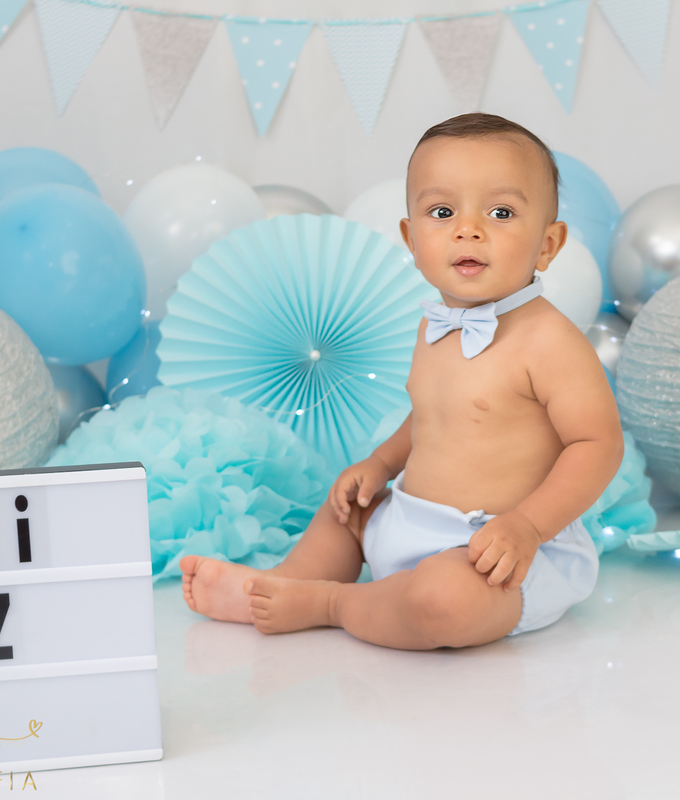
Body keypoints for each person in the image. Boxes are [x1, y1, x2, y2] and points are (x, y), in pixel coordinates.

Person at [180, 113, 624, 650]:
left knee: (444, 602)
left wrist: (527, 526)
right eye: (443, 212)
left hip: (497, 551)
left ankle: (330, 603)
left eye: (501, 213)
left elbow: (597, 444)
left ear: (548, 245)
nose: (468, 230)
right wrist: (380, 465)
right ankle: (280, 583)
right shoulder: (434, 326)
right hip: (409, 521)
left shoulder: (550, 342)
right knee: (348, 507)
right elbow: (432, 416)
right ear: (412, 240)